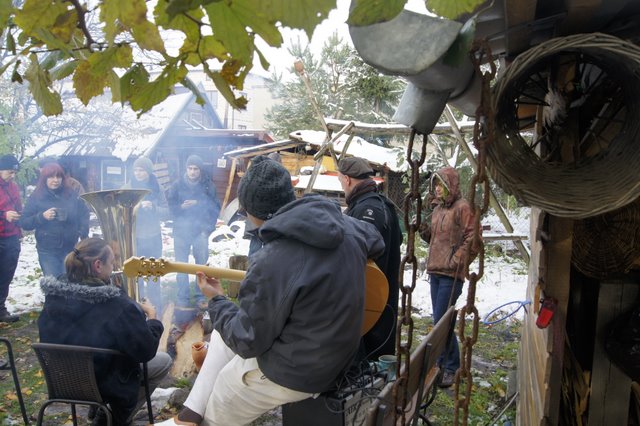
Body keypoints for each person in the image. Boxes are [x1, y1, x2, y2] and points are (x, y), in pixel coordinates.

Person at [156, 155, 384, 426]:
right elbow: (376, 240)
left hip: (301, 370)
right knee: (219, 335)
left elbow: (248, 340)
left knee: (222, 395)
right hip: (335, 351)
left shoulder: (272, 259)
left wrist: (216, 299)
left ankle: (204, 420)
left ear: (253, 212)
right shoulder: (348, 227)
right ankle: (189, 414)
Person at [38, 237, 172, 425]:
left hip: (63, 380)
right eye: (112, 261)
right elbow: (145, 351)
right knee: (164, 361)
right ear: (98, 265)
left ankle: (98, 410)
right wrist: (153, 319)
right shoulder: (115, 304)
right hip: (106, 384)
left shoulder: (55, 294)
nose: (114, 266)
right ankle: (113, 418)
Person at [338, 156, 403, 360]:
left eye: (340, 181)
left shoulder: (368, 210)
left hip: (371, 302)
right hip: (379, 301)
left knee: (369, 358)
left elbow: (359, 257)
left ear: (347, 179)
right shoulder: (380, 204)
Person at [418, 166, 477, 388]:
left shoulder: (463, 207)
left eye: (441, 185)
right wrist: (423, 230)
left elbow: (474, 238)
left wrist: (456, 260)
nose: (437, 189)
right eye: (435, 185)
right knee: (442, 321)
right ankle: (443, 364)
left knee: (440, 322)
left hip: (451, 275)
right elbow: (436, 240)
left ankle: (450, 366)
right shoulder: (438, 210)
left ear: (450, 186)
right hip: (435, 271)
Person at [166, 155, 220, 308]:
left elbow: (215, 208)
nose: (192, 172)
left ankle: (200, 297)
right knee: (181, 267)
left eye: (195, 169)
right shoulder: (177, 185)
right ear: (186, 169)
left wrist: (206, 228)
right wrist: (181, 207)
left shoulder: (208, 186)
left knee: (201, 267)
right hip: (181, 232)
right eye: (190, 168)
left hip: (200, 232)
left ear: (200, 170)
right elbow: (171, 209)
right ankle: (182, 297)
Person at [21, 162, 90, 278]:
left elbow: (84, 213)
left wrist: (82, 232)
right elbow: (24, 222)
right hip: (47, 250)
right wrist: (42, 217)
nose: (55, 180)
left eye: (58, 177)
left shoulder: (70, 194)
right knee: (53, 284)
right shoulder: (37, 197)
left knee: (69, 281)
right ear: (44, 179)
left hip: (70, 248)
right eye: (51, 177)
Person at [122, 157, 168, 309]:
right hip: (135, 237)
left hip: (154, 236)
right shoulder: (127, 188)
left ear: (148, 171)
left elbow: (166, 212)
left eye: (141, 170)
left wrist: (153, 208)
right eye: (136, 170)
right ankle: (138, 306)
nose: (138, 173)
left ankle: (155, 306)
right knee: (137, 275)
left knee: (154, 272)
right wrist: (136, 207)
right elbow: (121, 213)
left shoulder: (158, 187)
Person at [0, 154, 22, 323]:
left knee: (6, 274)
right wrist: (3, 215)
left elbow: (19, 207)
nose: (12, 175)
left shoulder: (13, 187)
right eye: (9, 172)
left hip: (12, 237)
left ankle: (0, 309)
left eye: (14, 172)